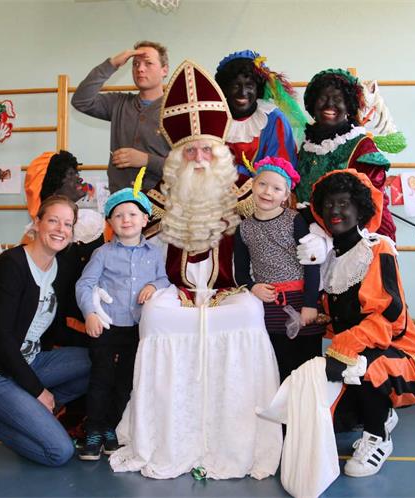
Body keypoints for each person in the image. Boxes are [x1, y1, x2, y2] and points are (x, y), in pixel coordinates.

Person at [109, 60, 287, 480]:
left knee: (249, 312)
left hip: (228, 290)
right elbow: (134, 236)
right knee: (156, 314)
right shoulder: (161, 195)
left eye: (207, 149)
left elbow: (274, 222)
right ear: (177, 157)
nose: (200, 157)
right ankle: (169, 430)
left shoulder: (245, 191)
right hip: (178, 291)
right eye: (191, 151)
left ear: (220, 153)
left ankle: (237, 432)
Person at [0, 195, 90, 467]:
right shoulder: (10, 265)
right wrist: (37, 391)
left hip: (29, 362)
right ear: (37, 222)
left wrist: (107, 344)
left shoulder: (60, 267)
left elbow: (57, 329)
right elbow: (0, 340)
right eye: (53, 221)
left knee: (96, 360)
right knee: (59, 452)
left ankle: (32, 414)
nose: (61, 229)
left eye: (68, 224)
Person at [305, 169, 415, 477]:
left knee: (359, 365)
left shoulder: (378, 248)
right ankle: (380, 412)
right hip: (358, 347)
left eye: (344, 203)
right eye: (329, 204)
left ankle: (378, 437)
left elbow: (390, 315)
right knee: (333, 417)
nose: (335, 211)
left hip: (398, 351)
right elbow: (342, 316)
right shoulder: (331, 258)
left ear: (361, 209)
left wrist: (344, 347)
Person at [75, 173, 170, 461]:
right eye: (118, 215)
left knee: (126, 382)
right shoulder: (103, 254)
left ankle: (111, 427)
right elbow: (85, 284)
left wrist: (154, 285)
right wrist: (90, 313)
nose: (126, 219)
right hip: (106, 325)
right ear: (110, 222)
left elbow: (165, 280)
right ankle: (93, 429)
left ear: (145, 219)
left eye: (132, 214)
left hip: (137, 329)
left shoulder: (154, 253)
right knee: (101, 379)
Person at [233, 156, 324, 381]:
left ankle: (307, 405)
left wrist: (310, 304)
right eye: (262, 184)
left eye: (276, 188)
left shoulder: (295, 220)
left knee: (307, 370)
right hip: (269, 308)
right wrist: (253, 287)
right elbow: (241, 273)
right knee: (277, 368)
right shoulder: (243, 228)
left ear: (286, 195)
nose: (267, 192)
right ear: (252, 186)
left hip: (301, 303)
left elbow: (312, 263)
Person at [295, 69, 397, 241]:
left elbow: (373, 203)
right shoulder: (307, 146)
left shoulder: (362, 146)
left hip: (350, 239)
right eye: (322, 98)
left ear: (348, 106)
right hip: (307, 237)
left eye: (338, 99)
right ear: (313, 104)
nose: (329, 104)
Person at [23, 150, 104, 349]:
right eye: (70, 174)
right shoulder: (34, 236)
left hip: (94, 321)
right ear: (53, 185)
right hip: (57, 331)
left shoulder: (93, 223)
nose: (79, 178)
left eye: (76, 172)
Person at [214, 50, 306, 218]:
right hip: (218, 201)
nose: (242, 93)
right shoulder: (213, 118)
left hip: (265, 201)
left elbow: (281, 168)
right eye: (235, 85)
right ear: (225, 89)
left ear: (258, 89)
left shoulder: (273, 119)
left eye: (249, 86)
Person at [72, 41, 171, 193]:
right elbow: (81, 100)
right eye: (135, 64)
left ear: (164, 70)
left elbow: (185, 168)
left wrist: (146, 160)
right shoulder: (119, 103)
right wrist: (112, 64)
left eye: (148, 63)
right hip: (119, 199)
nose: (140, 69)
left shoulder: (176, 110)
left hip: (160, 201)